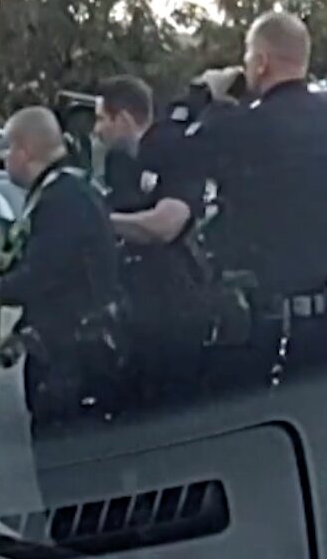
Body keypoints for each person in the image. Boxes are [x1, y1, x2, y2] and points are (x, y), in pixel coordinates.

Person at [180, 11, 327, 434]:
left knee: (238, 449)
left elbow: (176, 157)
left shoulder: (243, 127)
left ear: (262, 62)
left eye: (249, 58)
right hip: (323, 329)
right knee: (315, 445)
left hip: (251, 330)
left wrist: (208, 101)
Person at [0, 106, 126, 518]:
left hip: (73, 359)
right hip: (73, 348)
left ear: (25, 151)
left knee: (73, 485)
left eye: (8, 149)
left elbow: (46, 273)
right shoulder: (66, 190)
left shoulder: (62, 199)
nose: (5, 159)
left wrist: (0, 286)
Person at [93, 76, 210, 410]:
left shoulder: (176, 150)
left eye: (103, 119)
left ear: (125, 119)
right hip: (133, 308)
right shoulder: (121, 164)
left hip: (174, 307)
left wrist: (100, 224)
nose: (97, 131)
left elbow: (166, 225)